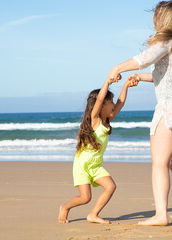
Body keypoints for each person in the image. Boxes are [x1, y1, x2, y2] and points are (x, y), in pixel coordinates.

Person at [107, 1, 172, 226]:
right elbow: (168, 76)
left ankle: (161, 215)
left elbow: (144, 59)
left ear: (161, 20)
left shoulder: (165, 41)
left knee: (159, 163)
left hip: (171, 108)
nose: (153, 19)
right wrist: (141, 77)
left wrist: (117, 68)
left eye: (155, 16)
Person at [58, 77, 137, 224]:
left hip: (95, 165)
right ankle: (65, 207)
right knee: (85, 198)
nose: (114, 104)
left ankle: (93, 215)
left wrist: (126, 85)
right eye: (110, 102)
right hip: (82, 164)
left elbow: (121, 103)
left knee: (111, 186)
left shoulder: (108, 120)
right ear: (100, 106)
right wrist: (108, 81)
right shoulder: (95, 120)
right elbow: (100, 98)